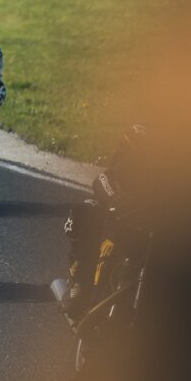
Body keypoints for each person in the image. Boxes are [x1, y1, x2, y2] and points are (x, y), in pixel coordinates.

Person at [60, 124, 146, 318]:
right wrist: (115, 200)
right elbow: (105, 177)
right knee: (89, 209)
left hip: (171, 218)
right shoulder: (141, 132)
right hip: (128, 211)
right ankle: (80, 282)